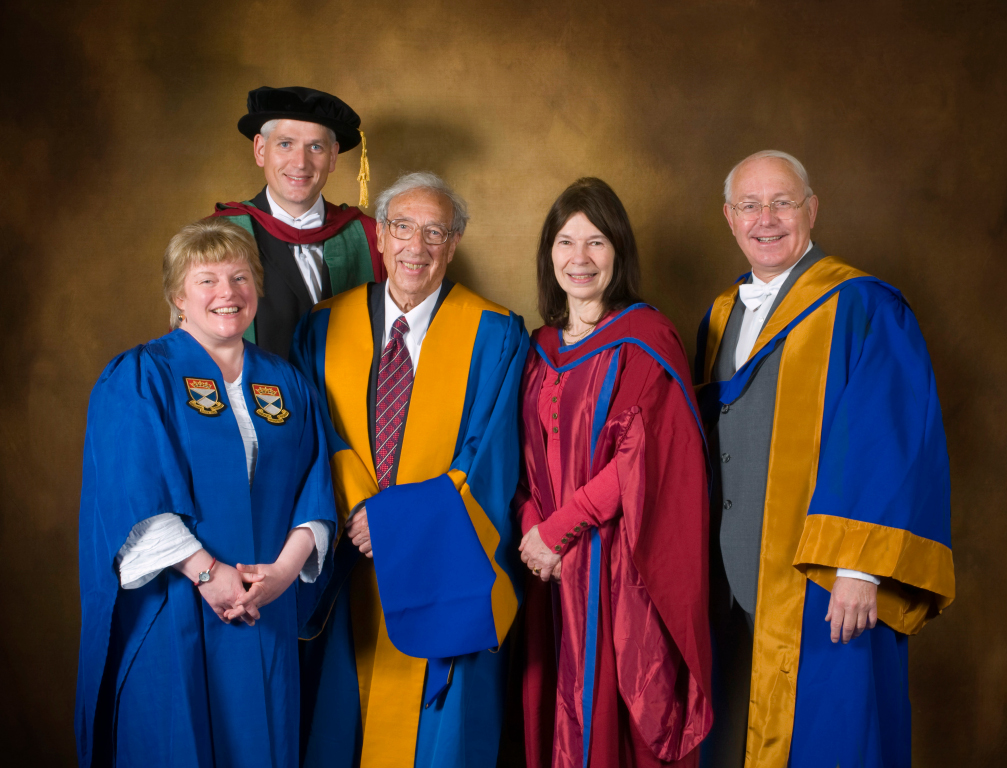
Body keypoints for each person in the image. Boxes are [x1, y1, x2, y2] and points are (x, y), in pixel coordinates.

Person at [694, 150, 955, 768]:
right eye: (750, 205)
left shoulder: (863, 306)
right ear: (730, 219)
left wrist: (859, 571)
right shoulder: (720, 315)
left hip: (821, 583)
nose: (767, 218)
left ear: (812, 209)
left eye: (782, 202)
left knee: (830, 738)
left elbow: (886, 439)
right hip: (728, 583)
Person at [75, 219, 337, 768]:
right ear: (177, 296)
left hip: (265, 605)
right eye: (207, 280)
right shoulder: (141, 376)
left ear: (257, 289)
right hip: (177, 606)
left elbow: (314, 485)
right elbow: (133, 493)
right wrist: (205, 572)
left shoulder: (285, 383)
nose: (228, 293)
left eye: (241, 277)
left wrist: (284, 573)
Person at [291, 172, 530, 768]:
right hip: (350, 564)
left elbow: (489, 457)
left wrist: (397, 524)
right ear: (380, 238)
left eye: (435, 232)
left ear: (452, 246)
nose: (415, 247)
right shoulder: (322, 327)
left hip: (443, 569)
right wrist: (364, 515)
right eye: (402, 227)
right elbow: (314, 438)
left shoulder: (495, 333)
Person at [516, 177, 713, 768]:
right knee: (553, 699)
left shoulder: (646, 338)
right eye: (566, 242)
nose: (580, 259)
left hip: (616, 561)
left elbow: (644, 458)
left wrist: (557, 531)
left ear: (619, 251)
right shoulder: (537, 346)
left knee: (613, 712)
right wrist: (532, 528)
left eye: (596, 242)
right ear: (549, 254)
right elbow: (520, 455)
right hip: (544, 567)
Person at [210, 85, 384, 358]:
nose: (300, 163)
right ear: (260, 149)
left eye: (315, 147)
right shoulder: (217, 235)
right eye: (285, 144)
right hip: (254, 398)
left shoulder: (370, 236)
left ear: (333, 156)